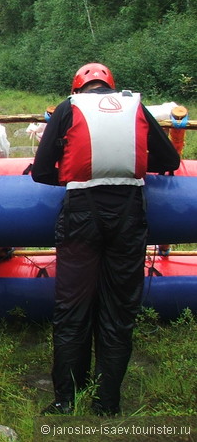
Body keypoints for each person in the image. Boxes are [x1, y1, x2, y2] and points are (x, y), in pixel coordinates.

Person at [31, 63, 180, 416]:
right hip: (129, 214)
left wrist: (70, 176)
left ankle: (66, 399)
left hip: (82, 212)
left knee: (72, 309)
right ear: (111, 86)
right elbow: (170, 159)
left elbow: (40, 171)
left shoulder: (69, 108)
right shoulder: (134, 107)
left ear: (79, 88)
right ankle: (107, 403)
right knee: (118, 311)